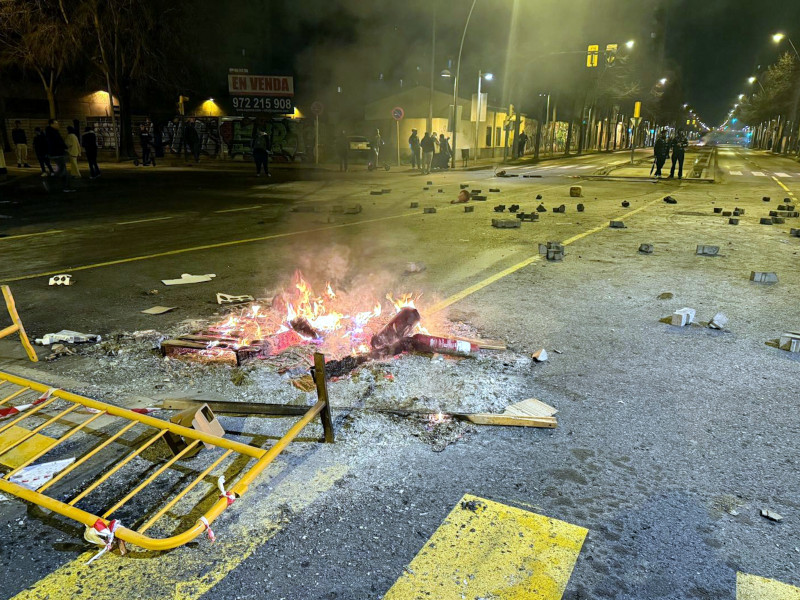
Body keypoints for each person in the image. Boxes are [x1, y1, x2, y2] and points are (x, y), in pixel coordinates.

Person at [45, 119, 73, 192]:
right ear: (51, 124)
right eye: (56, 123)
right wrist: (65, 147)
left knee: (62, 171)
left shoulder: (51, 132)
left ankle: (64, 187)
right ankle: (64, 187)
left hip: (57, 153)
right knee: (62, 172)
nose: (58, 125)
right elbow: (58, 142)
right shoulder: (52, 133)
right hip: (57, 153)